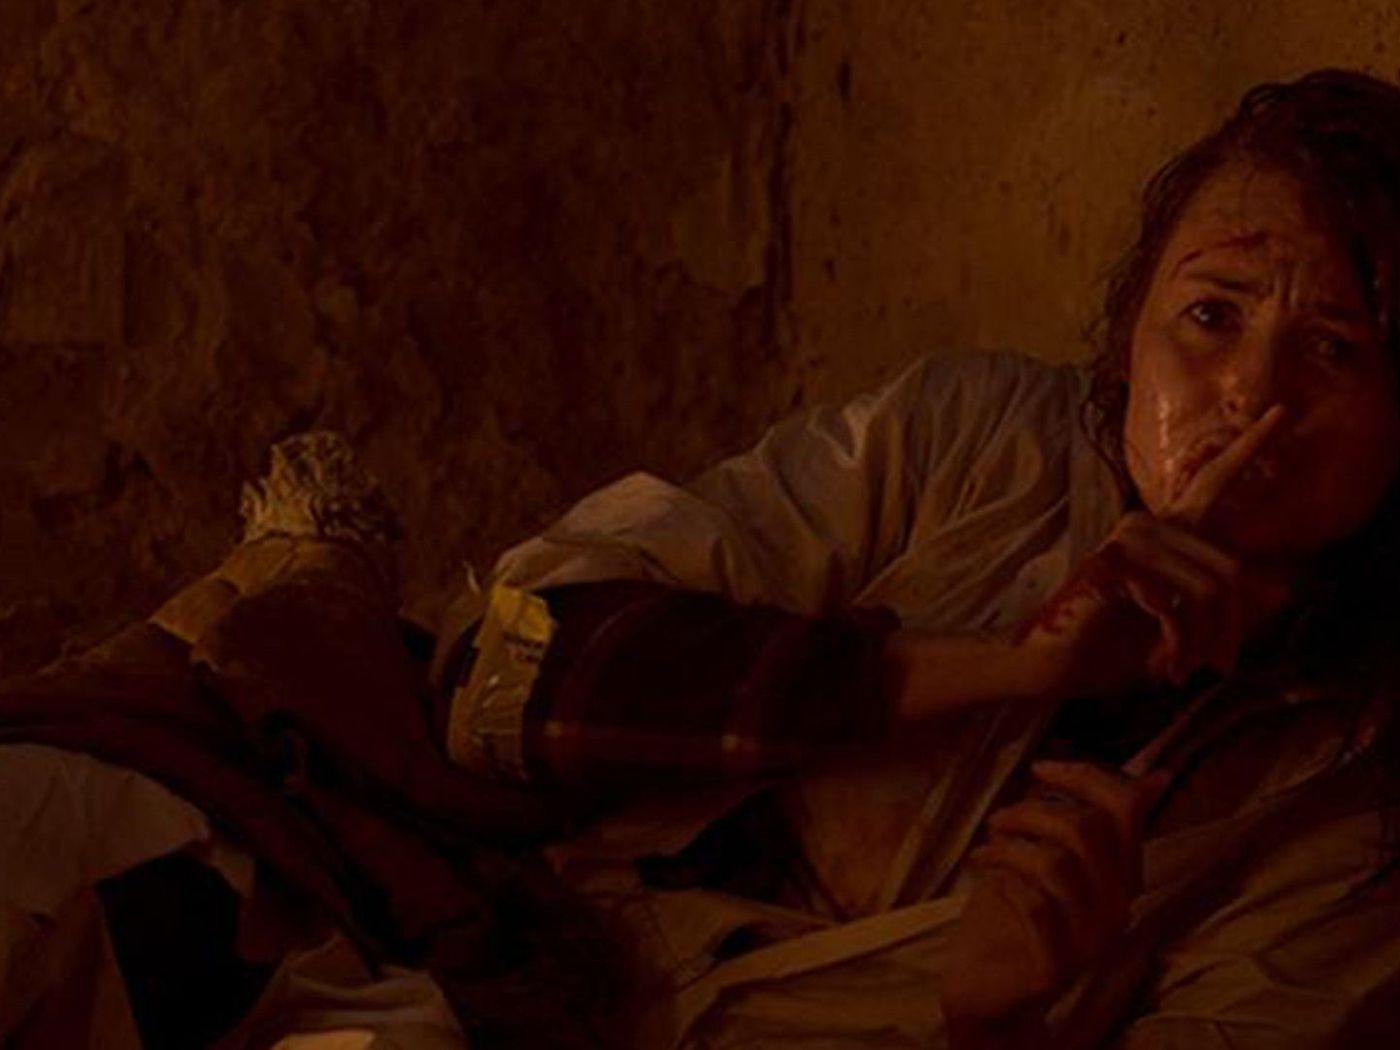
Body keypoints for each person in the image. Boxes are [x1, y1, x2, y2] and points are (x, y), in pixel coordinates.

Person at [5, 67, 1400, 1049]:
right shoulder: (976, 441)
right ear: (1129, 331)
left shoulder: (1339, 821)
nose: (1249, 399)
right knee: (47, 827)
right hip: (446, 897)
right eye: (1209, 316)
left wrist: (993, 1023)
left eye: (1334, 350)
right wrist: (1004, 667)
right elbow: (513, 670)